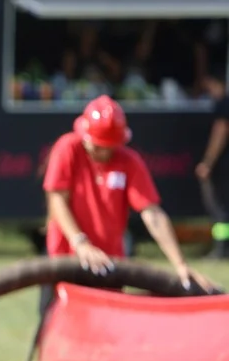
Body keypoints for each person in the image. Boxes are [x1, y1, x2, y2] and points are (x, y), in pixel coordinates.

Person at [41, 94, 213, 314]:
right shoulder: (68, 149)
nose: (103, 152)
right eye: (97, 146)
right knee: (56, 332)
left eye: (108, 146)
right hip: (64, 260)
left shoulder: (128, 161)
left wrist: (180, 264)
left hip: (109, 265)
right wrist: (80, 243)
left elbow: (152, 214)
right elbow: (56, 199)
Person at [195, 68, 229, 259]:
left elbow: (220, 134)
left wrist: (208, 163)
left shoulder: (223, 104)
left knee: (221, 209)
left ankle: (222, 250)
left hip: (223, 166)